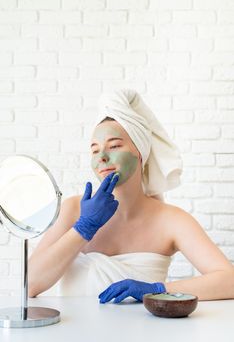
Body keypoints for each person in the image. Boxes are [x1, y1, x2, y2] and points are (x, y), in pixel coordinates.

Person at [28, 89, 234, 303]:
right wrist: (83, 227)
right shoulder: (73, 210)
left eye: (115, 145)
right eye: (95, 150)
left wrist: (156, 289)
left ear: (140, 152)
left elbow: (229, 281)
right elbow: (31, 284)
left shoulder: (171, 220)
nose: (102, 158)